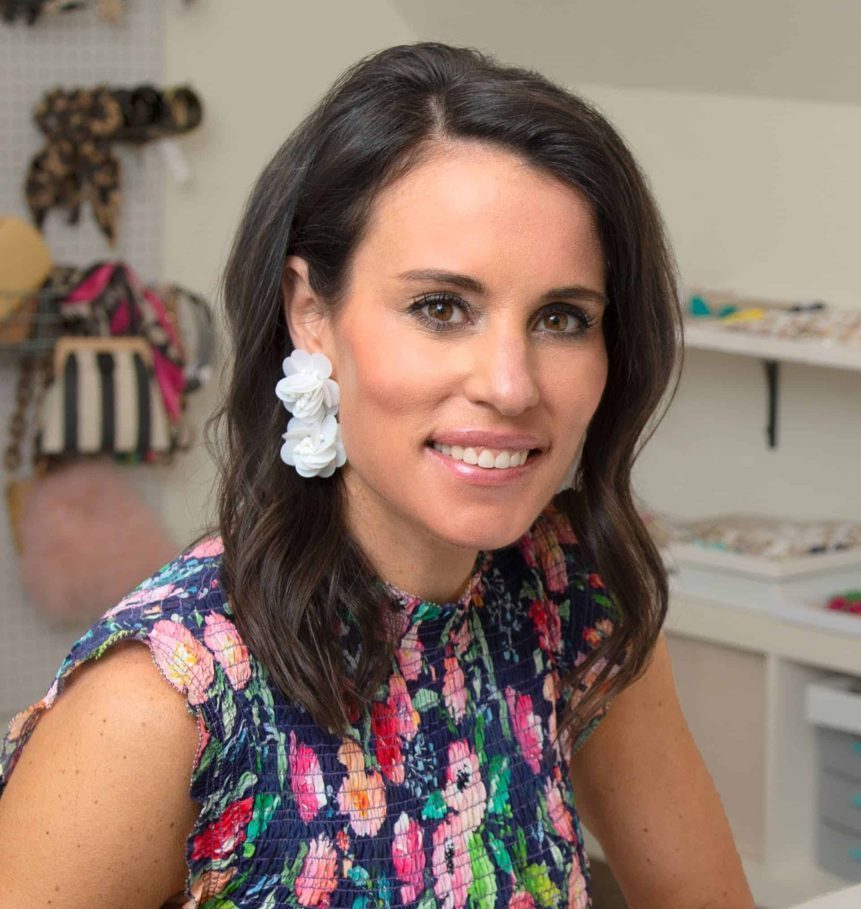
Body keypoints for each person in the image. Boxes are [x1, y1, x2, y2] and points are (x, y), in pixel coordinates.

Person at [0, 41, 755, 909]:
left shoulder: (570, 595)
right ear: (311, 313)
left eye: (560, 316)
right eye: (441, 308)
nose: (510, 385)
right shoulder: (156, 705)